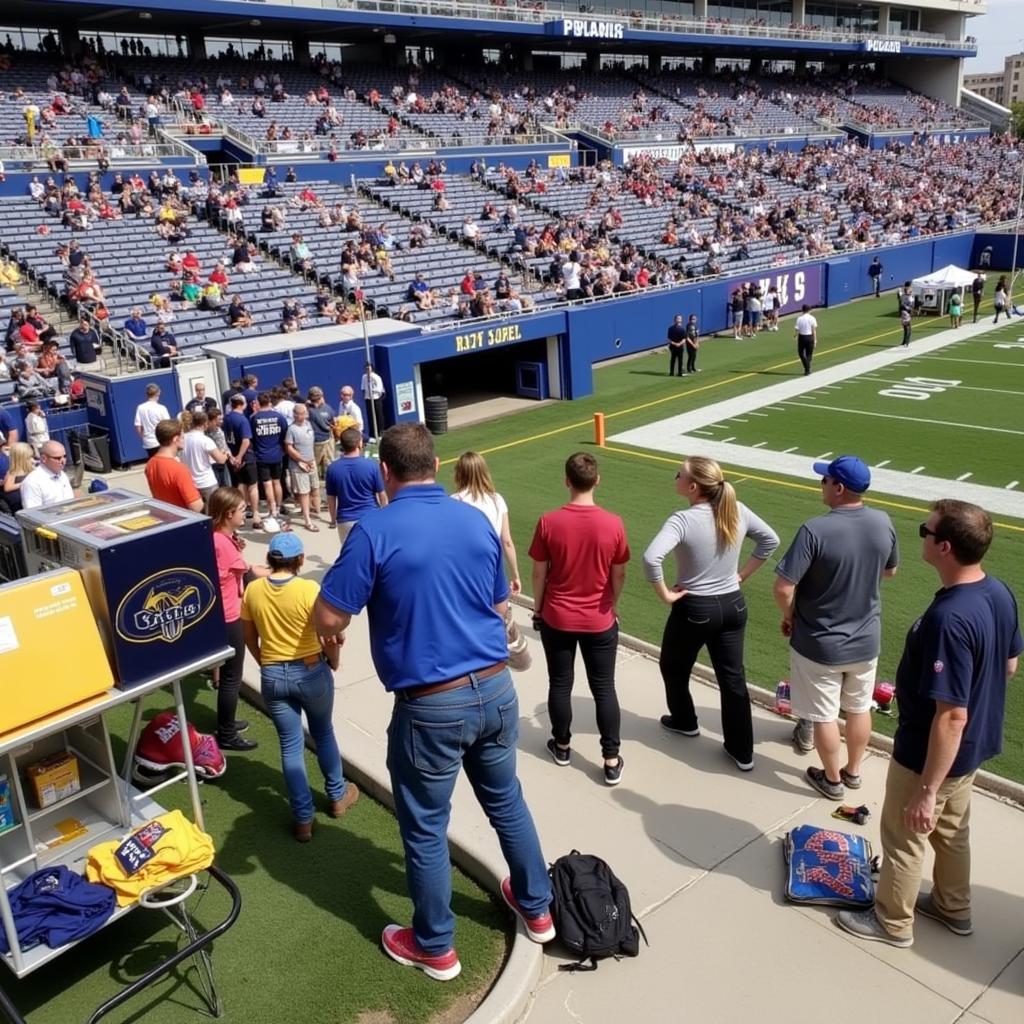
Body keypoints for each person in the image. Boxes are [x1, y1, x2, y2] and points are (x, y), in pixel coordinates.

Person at [313, 423, 554, 981]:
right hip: (495, 690)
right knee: (506, 801)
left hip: (432, 705)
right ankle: (538, 909)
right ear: (437, 464)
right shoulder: (474, 519)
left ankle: (435, 945)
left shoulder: (373, 530)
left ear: (385, 473)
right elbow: (497, 603)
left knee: (424, 827)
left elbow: (328, 616)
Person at [837, 500, 1020, 948]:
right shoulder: (998, 592)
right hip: (972, 749)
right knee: (952, 831)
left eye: (925, 529)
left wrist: (926, 790)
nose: (920, 535)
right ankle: (953, 907)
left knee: (905, 835)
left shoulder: (948, 619)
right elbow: (1010, 665)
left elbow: (951, 715)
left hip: (929, 756)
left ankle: (891, 923)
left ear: (944, 546)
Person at [643, 456, 779, 771]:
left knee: (674, 667)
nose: (675, 476)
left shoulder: (682, 520)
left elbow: (651, 558)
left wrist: (665, 594)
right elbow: (770, 540)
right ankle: (742, 751)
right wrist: (741, 576)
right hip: (733, 606)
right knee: (733, 679)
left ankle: (684, 720)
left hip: (694, 609)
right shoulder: (737, 510)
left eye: (680, 473)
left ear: (693, 486)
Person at [773, 456, 898, 798]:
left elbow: (784, 587)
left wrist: (790, 615)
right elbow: (889, 571)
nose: (821, 485)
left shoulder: (815, 529)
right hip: (866, 641)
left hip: (820, 643)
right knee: (858, 708)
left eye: (825, 480)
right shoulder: (883, 521)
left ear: (839, 488)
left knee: (824, 714)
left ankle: (832, 780)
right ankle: (853, 771)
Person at [242, 532, 357, 842]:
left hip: (273, 676)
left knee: (290, 745)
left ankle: (303, 819)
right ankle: (337, 796)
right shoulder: (309, 589)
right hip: (310, 671)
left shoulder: (252, 591)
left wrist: (266, 661)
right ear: (301, 560)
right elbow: (329, 635)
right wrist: (333, 660)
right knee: (323, 732)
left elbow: (249, 636)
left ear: (270, 559)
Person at [529, 452, 630, 785]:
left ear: (566, 481)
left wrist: (539, 610)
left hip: (557, 617)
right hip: (599, 620)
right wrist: (612, 606)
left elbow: (539, 574)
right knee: (604, 689)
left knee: (560, 683)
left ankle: (561, 745)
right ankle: (611, 759)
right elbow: (619, 575)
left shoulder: (548, 521)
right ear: (597, 480)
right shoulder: (613, 523)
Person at [208, 487, 266, 753]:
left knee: (230, 675)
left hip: (224, 611)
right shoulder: (222, 542)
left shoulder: (219, 537)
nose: (246, 514)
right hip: (230, 615)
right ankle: (227, 733)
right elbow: (250, 573)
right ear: (229, 513)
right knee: (232, 677)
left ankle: (226, 723)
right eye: (242, 510)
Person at [451, 451, 521, 595]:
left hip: (465, 568)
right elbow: (506, 541)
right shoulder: (497, 500)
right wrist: (515, 575)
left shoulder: (454, 500)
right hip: (492, 566)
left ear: (460, 474)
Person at [324, 428, 386, 543]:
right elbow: (381, 494)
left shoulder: (332, 468)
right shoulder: (372, 466)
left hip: (345, 520)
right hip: (370, 516)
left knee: (349, 556)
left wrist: (333, 519)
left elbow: (331, 498)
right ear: (359, 443)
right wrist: (386, 513)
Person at [144, 420, 203, 512]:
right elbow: (196, 506)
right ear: (175, 439)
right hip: (183, 519)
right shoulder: (178, 469)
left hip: (165, 515)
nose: (184, 440)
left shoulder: (150, 464)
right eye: (183, 437)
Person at [252, 392, 288, 523]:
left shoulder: (255, 418)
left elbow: (252, 437)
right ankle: (278, 508)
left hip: (262, 455)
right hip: (277, 454)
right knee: (277, 482)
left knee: (267, 484)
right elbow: (285, 434)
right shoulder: (279, 417)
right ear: (269, 402)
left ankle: (271, 510)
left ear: (259, 403)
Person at [224, 394, 260, 525]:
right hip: (246, 457)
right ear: (241, 404)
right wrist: (239, 456)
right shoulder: (242, 420)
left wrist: (233, 457)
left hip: (233, 457)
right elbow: (246, 440)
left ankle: (242, 515)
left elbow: (226, 439)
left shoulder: (227, 419)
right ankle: (256, 514)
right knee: (253, 486)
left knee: (240, 485)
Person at [284, 403, 320, 531]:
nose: (302, 416)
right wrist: (302, 460)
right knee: (304, 492)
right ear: (294, 414)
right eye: (299, 413)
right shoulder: (291, 429)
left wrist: (311, 460)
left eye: (304, 413)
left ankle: (314, 510)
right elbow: (289, 447)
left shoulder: (308, 424)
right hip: (299, 465)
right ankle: (307, 520)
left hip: (311, 462)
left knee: (315, 488)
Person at [182, 409, 228, 507]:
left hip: (190, 482)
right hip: (207, 482)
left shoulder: (183, 438)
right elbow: (221, 460)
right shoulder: (205, 440)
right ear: (205, 424)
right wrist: (225, 453)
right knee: (213, 511)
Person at [20, 441, 73, 509]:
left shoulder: (62, 475)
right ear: (44, 458)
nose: (63, 461)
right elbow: (33, 514)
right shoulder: (32, 483)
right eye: (58, 458)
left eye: (64, 456)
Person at [306, 386, 336, 484]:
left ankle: (319, 483)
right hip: (317, 442)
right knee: (324, 464)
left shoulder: (307, 409)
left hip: (322, 441)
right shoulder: (309, 410)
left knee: (320, 465)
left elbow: (333, 422)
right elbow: (333, 423)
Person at [134, 383, 170, 460]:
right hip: (160, 441)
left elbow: (138, 426)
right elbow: (168, 425)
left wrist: (143, 437)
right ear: (158, 393)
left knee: (153, 462)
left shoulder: (140, 408)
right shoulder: (161, 408)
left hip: (148, 442)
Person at [1, 442, 34, 515]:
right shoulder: (13, 471)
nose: (31, 460)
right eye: (29, 457)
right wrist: (23, 483)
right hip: (16, 504)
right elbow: (7, 488)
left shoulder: (31, 469)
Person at [360, 363, 385, 441]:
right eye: (366, 368)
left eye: (369, 368)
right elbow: (363, 387)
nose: (367, 370)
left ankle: (380, 432)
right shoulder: (364, 377)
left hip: (376, 398)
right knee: (370, 416)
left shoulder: (376, 377)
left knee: (379, 415)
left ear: (372, 368)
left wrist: (373, 391)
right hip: (368, 398)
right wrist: (365, 395)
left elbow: (380, 389)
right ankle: (372, 434)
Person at [794, 303, 817, 376]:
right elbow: (813, 330)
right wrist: (815, 339)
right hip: (809, 337)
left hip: (802, 337)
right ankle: (807, 368)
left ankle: (807, 368)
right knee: (809, 354)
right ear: (809, 310)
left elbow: (797, 329)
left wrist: (795, 336)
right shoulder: (812, 318)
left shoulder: (799, 318)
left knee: (801, 353)